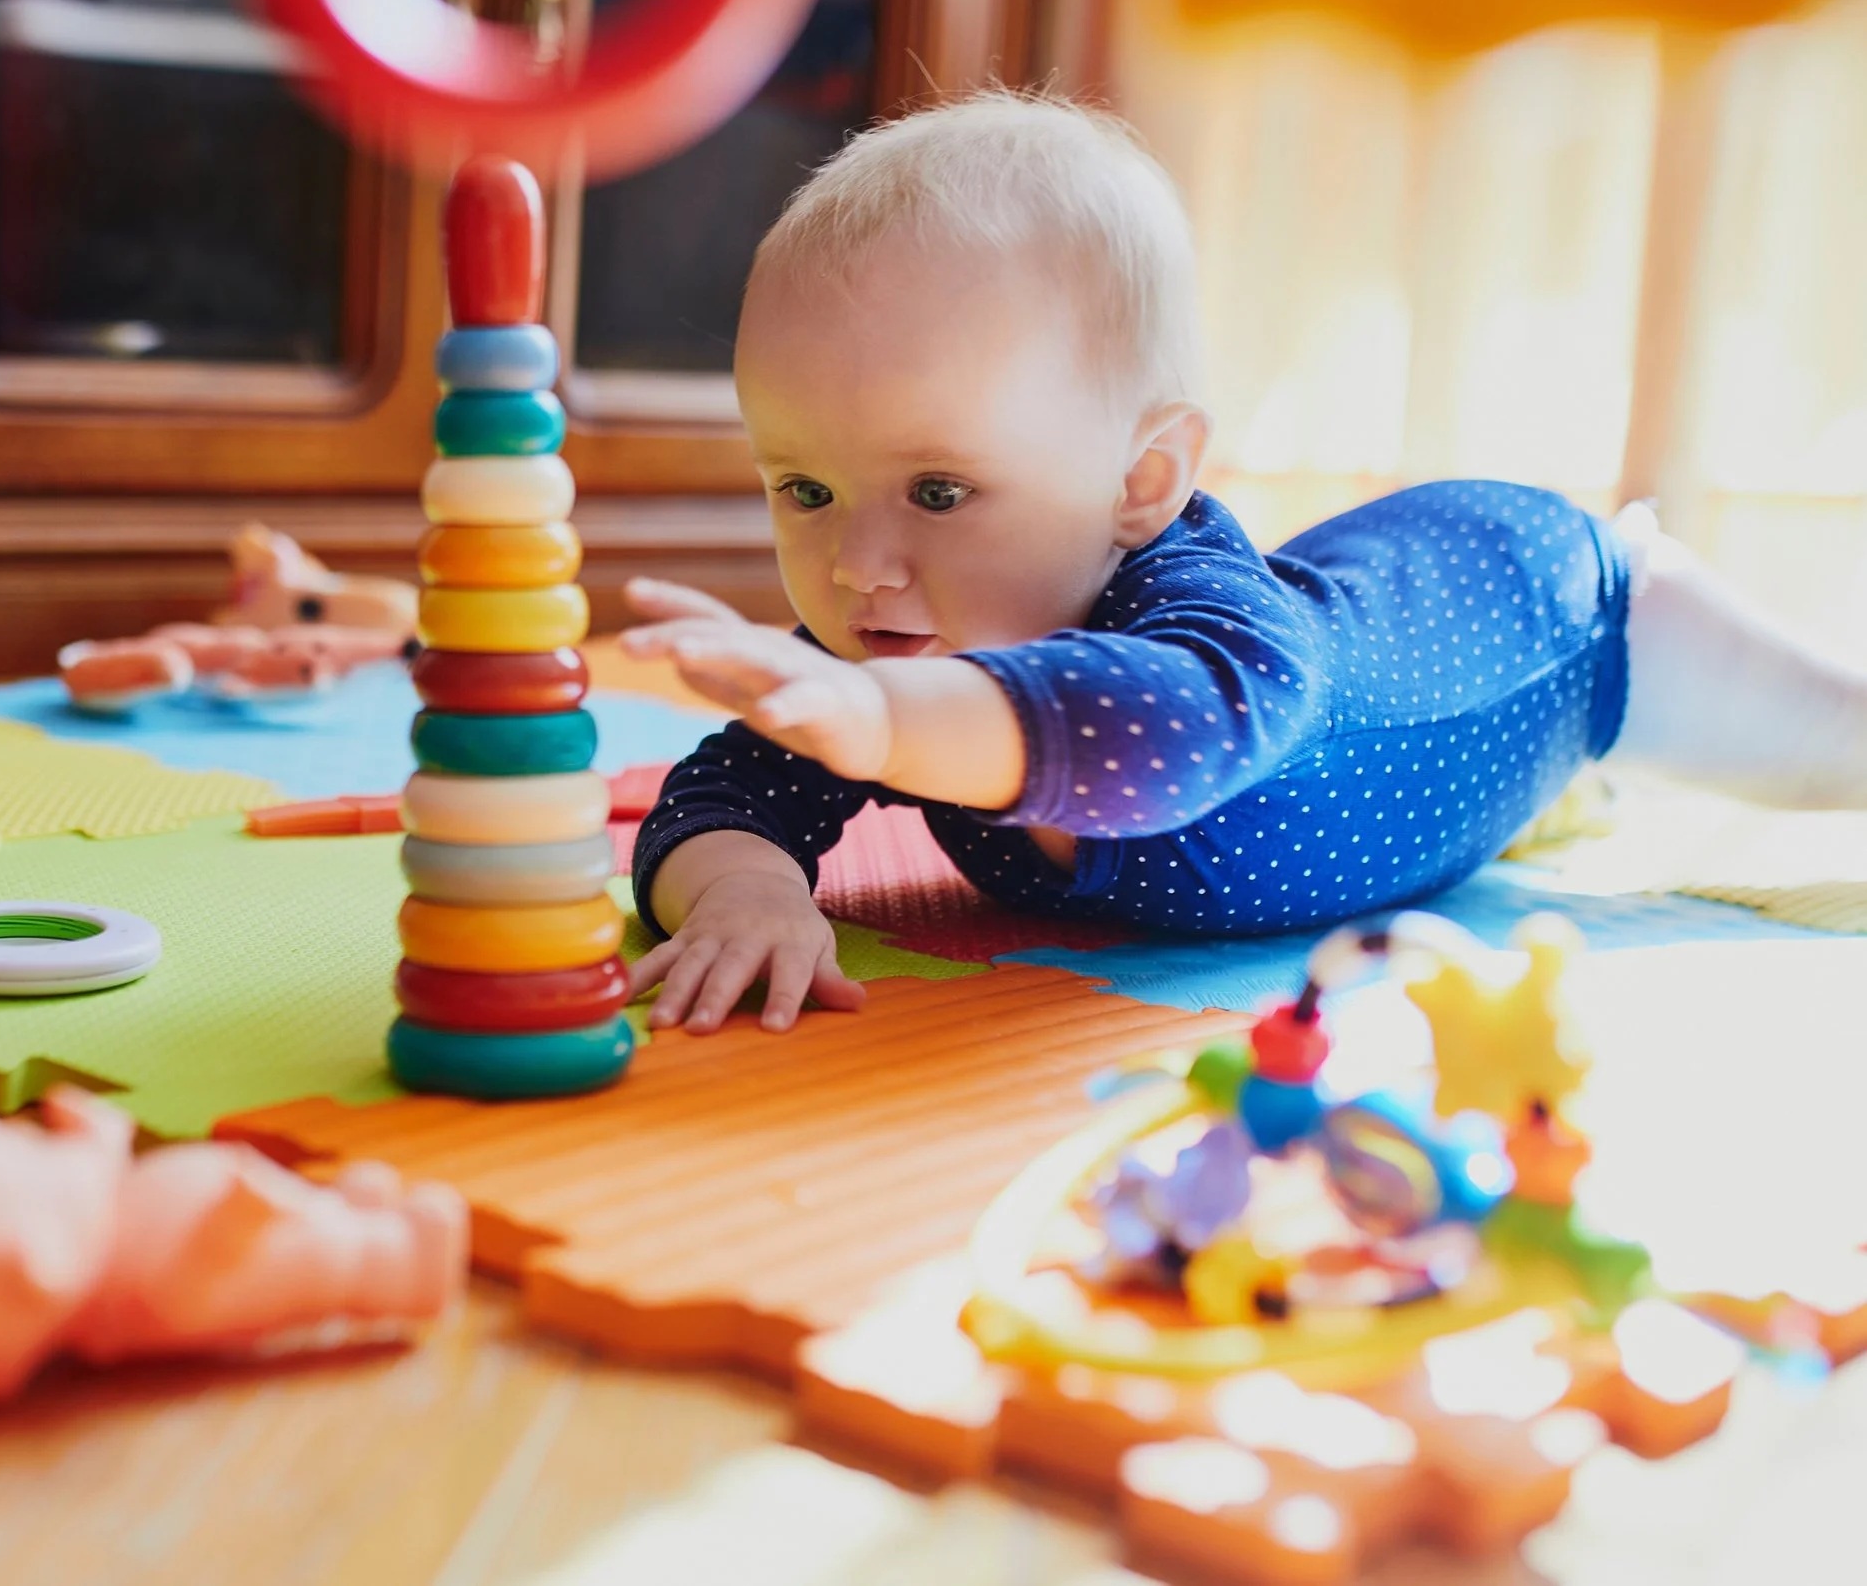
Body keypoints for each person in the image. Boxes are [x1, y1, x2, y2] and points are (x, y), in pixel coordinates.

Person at [620, 91, 1867, 1035]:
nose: (857, 563)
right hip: (1370, 600)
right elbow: (714, 799)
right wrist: (745, 890)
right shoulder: (889, 661)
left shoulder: (1204, 643)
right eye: (805, 488)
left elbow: (1166, 737)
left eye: (938, 490)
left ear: (1141, 482)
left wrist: (878, 721)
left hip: (1557, 610)